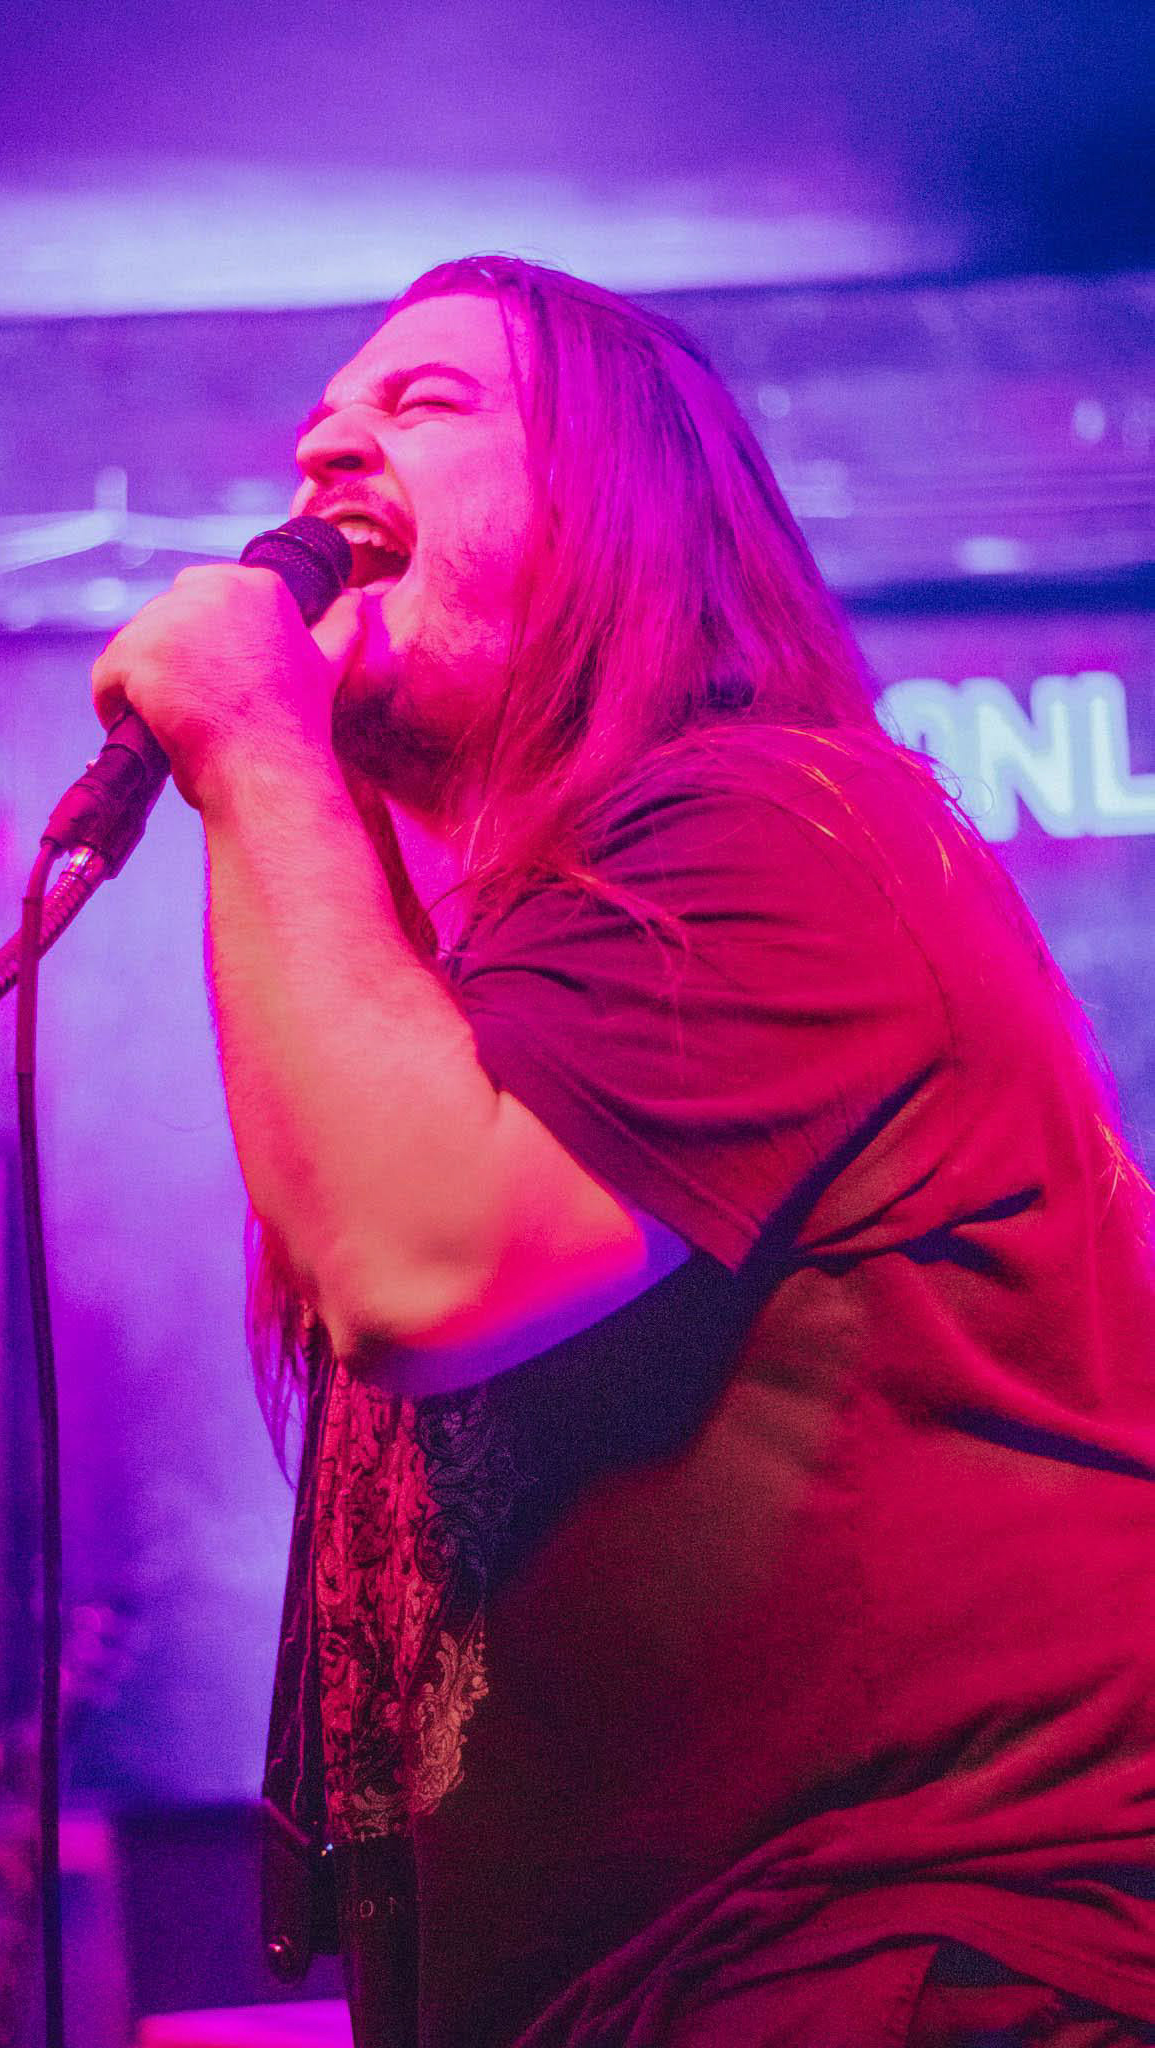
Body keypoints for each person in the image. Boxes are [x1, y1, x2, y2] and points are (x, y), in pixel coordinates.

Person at [91, 257, 1155, 2048]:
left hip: (902, 1967)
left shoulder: (780, 827)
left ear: (623, 516)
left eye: (425, 404)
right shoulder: (497, 980)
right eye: (321, 423)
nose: (327, 449)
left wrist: (256, 746)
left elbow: (418, 1263)